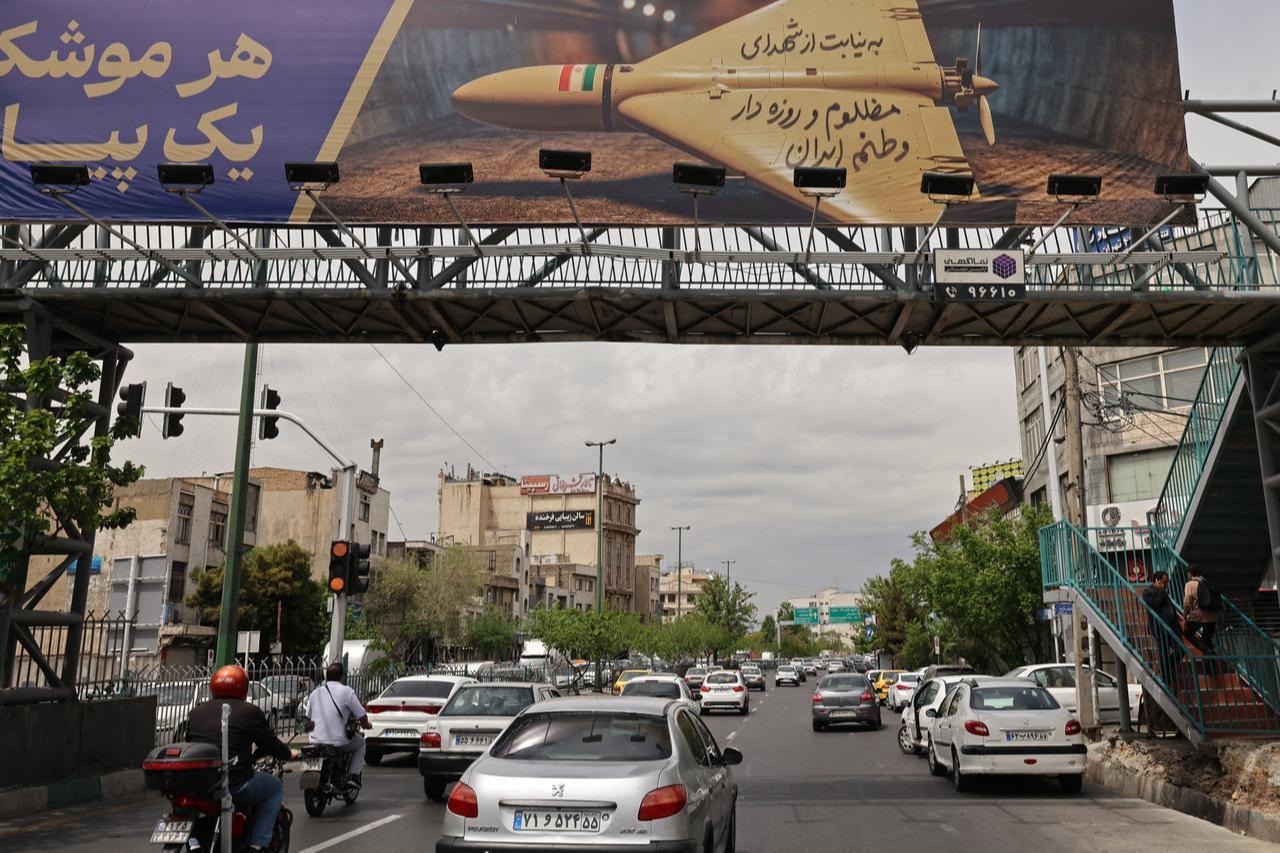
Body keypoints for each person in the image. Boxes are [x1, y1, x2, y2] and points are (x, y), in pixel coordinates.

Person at [187, 665, 297, 853]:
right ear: (243, 688)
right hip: (235, 782)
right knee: (274, 788)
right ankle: (257, 845)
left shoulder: (197, 712)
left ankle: (194, 841)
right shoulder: (250, 711)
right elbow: (269, 743)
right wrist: (288, 753)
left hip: (201, 783)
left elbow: (190, 743)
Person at [304, 663, 372, 785]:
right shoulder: (347, 692)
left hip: (315, 741)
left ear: (327, 677)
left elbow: (307, 717)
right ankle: (354, 776)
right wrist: (368, 725)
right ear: (342, 677)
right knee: (361, 743)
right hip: (338, 742)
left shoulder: (315, 693)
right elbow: (362, 716)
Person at [1142, 572, 1184, 687]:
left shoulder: (1164, 592)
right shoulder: (1148, 592)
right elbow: (1154, 604)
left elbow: (1170, 610)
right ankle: (1166, 679)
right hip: (1160, 628)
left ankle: (1167, 667)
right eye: (1164, 582)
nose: (1166, 584)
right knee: (1163, 653)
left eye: (1167, 582)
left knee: (1181, 650)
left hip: (1172, 628)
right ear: (1157, 580)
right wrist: (1161, 592)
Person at [1182, 565, 1221, 654]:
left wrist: (1184, 618)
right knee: (1206, 639)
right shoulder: (1208, 583)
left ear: (1189, 574)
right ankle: (1210, 661)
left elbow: (1187, 604)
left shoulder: (1190, 584)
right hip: (1214, 616)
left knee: (1187, 633)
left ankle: (1208, 651)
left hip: (1199, 616)